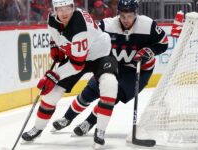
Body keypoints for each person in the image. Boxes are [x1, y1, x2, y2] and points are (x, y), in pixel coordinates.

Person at [51, 0, 168, 147]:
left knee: (111, 97)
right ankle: (67, 118)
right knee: (89, 92)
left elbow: (163, 43)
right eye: (123, 16)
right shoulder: (107, 25)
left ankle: (89, 123)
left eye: (130, 16)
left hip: (138, 71)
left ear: (136, 14)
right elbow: (88, 32)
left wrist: (150, 51)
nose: (126, 20)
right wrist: (62, 43)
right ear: (118, 13)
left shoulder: (148, 25)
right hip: (113, 65)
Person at [21, 0, 119, 147]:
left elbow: (77, 65)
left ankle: (100, 130)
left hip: (100, 55)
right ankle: (38, 128)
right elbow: (55, 35)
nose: (64, 12)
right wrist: (55, 46)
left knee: (110, 85)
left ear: (73, 7)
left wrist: (53, 76)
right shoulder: (52, 18)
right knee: (51, 93)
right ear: (54, 10)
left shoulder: (79, 26)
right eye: (60, 9)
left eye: (68, 8)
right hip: (77, 56)